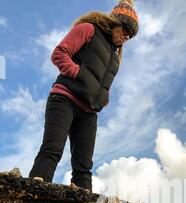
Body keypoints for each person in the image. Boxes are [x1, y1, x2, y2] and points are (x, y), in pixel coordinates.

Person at [29, 0, 139, 192]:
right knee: (52, 149)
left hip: (88, 112)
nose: (125, 38)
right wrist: (77, 74)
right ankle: (33, 195)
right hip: (64, 99)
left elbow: (103, 83)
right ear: (114, 22)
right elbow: (59, 53)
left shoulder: (115, 58)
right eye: (124, 31)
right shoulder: (88, 29)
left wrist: (103, 97)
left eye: (129, 36)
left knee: (84, 167)